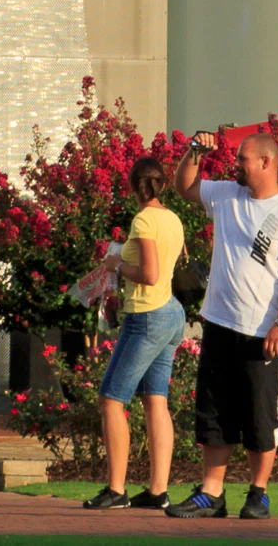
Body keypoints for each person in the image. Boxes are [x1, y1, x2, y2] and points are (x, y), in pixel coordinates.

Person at [165, 128, 278, 521]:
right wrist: (195, 150)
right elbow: (185, 187)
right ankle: (211, 494)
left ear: (266, 162)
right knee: (215, 414)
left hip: (262, 332)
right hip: (219, 324)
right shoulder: (227, 195)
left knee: (260, 416)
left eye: (243, 159)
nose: (237, 165)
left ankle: (258, 494)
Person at [83, 156, 187, 511]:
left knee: (111, 400)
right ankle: (158, 491)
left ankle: (116, 490)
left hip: (146, 316)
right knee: (155, 400)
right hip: (171, 313)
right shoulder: (172, 218)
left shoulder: (143, 219)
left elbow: (150, 273)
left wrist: (116, 265)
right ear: (162, 184)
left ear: (132, 186)